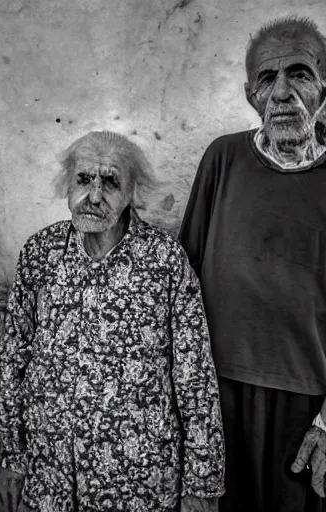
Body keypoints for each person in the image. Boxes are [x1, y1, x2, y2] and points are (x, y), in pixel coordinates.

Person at [0, 131, 224, 511]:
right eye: (83, 180)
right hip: (54, 474)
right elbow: (14, 357)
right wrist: (14, 456)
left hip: (140, 479)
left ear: (130, 193)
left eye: (110, 183)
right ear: (68, 185)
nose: (94, 196)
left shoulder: (163, 261)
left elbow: (195, 377)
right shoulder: (40, 254)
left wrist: (200, 482)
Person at [179, 16, 326, 512]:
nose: (283, 93)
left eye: (300, 74)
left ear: (325, 85)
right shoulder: (222, 160)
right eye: (268, 79)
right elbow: (184, 283)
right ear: (251, 96)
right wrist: (186, 408)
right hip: (218, 397)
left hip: (307, 405)